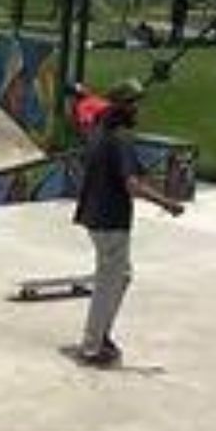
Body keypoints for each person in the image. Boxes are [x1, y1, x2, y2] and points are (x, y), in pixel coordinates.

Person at [72, 79, 186, 368]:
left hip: (94, 215)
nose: (138, 110)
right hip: (110, 219)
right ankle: (92, 346)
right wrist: (167, 203)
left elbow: (128, 173)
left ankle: (100, 336)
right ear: (123, 107)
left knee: (120, 276)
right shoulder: (120, 138)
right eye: (135, 105)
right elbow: (132, 184)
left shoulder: (99, 130)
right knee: (109, 282)